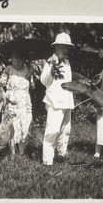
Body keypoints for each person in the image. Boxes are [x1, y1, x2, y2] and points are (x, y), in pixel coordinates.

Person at [40, 32, 75, 165]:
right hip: (54, 101)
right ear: (56, 47)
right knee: (52, 131)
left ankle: (61, 153)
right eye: (62, 47)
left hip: (66, 100)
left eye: (66, 47)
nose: (64, 50)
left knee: (65, 130)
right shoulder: (50, 61)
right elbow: (44, 81)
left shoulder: (67, 62)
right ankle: (47, 160)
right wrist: (51, 72)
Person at [0, 50, 35, 155]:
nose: (16, 63)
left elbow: (32, 87)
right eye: (14, 61)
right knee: (12, 126)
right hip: (11, 103)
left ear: (23, 61)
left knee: (24, 125)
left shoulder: (27, 69)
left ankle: (21, 151)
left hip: (24, 102)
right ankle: (12, 152)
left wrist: (31, 76)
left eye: (18, 61)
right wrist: (3, 94)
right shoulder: (8, 70)